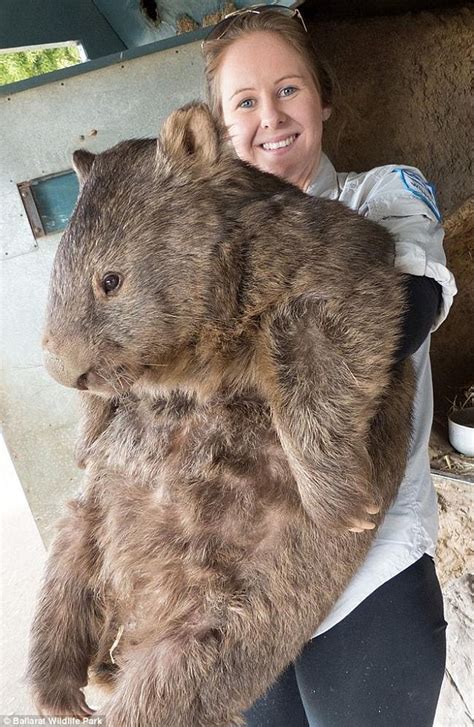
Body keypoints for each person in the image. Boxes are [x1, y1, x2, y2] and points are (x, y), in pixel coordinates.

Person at [201, 6, 457, 727]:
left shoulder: (384, 195)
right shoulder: (209, 247)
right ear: (219, 127)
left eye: (289, 89)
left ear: (323, 97)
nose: (271, 116)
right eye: (244, 102)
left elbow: (403, 312)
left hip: (368, 581)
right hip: (246, 592)